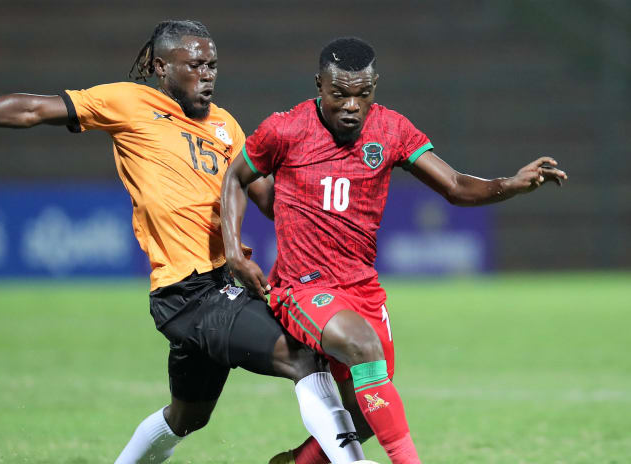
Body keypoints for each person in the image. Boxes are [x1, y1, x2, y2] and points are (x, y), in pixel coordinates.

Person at [0, 21, 370, 464]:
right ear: (161, 67)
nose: (207, 75)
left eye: (213, 64)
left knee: (187, 416)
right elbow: (29, 110)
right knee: (301, 357)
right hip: (187, 292)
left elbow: (269, 199)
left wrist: (327, 199)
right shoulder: (128, 103)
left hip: (220, 285)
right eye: (194, 65)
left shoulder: (225, 125)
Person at [222, 37, 568, 464]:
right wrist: (234, 252)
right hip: (302, 286)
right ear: (319, 86)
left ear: (375, 88)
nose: (352, 105)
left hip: (362, 287)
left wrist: (510, 184)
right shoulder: (286, 128)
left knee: (369, 409)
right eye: (339, 94)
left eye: (362, 94)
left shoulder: (391, 130)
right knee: (365, 349)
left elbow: (455, 186)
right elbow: (236, 177)